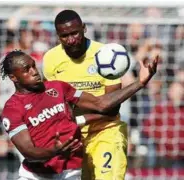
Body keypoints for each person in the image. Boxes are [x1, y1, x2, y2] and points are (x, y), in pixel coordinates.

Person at [0, 49, 158, 180]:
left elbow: (100, 104)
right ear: (13, 77)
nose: (34, 71)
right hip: (36, 175)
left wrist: (140, 82)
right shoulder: (12, 109)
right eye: (27, 69)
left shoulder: (58, 87)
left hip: (70, 171)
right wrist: (55, 151)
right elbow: (28, 152)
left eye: (34, 65)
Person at [42, 10, 125, 179]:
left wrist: (76, 115)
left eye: (75, 33)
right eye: (65, 36)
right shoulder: (51, 59)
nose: (71, 40)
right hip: (73, 138)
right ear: (58, 36)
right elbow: (53, 103)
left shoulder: (105, 54)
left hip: (106, 131)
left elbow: (111, 108)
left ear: (84, 28)